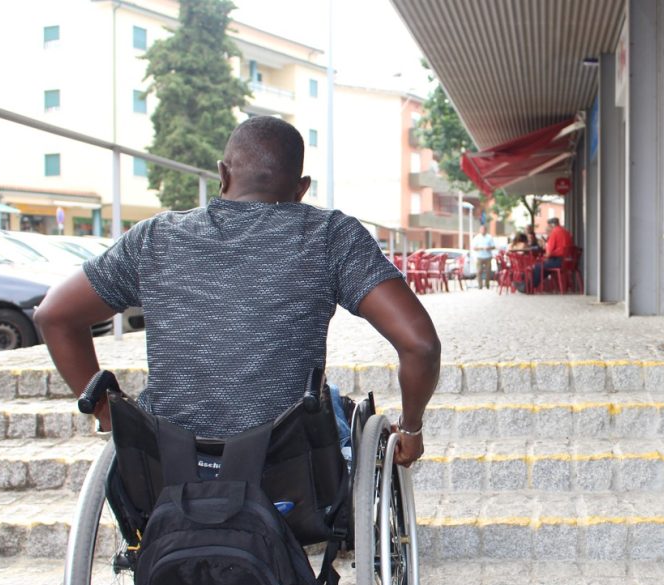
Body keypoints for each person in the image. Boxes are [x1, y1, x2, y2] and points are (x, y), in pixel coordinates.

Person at [34, 116, 441, 468]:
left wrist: (107, 414)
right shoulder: (330, 236)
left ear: (222, 174)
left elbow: (54, 315)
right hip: (287, 467)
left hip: (166, 463)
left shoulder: (155, 238)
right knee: (332, 405)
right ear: (301, 189)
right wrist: (411, 427)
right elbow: (420, 344)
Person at [522, 216, 573, 293]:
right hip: (568, 262)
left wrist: (545, 257)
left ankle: (528, 288)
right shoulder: (566, 232)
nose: (548, 228)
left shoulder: (554, 232)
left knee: (538, 267)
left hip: (558, 261)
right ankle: (528, 286)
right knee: (544, 268)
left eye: (548, 226)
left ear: (551, 225)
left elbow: (548, 252)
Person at [471, 225, 495, 289]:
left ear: (486, 230)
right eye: (481, 229)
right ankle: (480, 286)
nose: (483, 231)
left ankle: (487, 285)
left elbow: (493, 246)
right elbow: (474, 247)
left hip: (488, 256)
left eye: (484, 229)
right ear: (480, 230)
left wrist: (488, 248)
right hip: (479, 256)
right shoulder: (477, 237)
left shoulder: (489, 237)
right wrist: (481, 248)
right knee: (479, 271)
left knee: (488, 272)